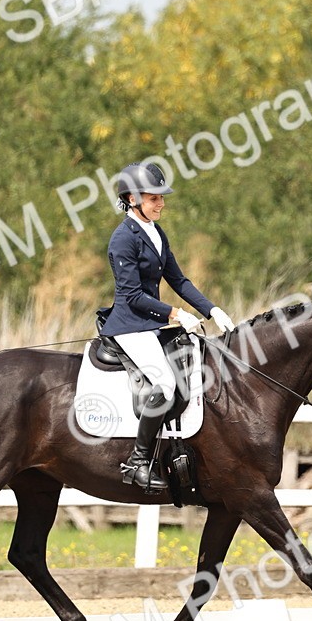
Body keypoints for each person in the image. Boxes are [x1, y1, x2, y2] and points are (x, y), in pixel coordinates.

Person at [97, 161, 236, 491]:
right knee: (164, 383)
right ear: (132, 199)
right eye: (154, 198)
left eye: (161, 198)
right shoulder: (122, 239)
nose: (161, 204)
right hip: (130, 326)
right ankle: (138, 463)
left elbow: (178, 279)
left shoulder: (156, 233)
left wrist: (212, 309)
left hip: (152, 324)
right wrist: (176, 314)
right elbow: (131, 295)